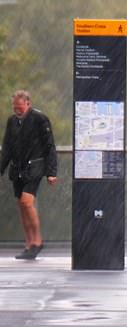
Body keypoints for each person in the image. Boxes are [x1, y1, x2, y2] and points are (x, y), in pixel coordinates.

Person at [0, 90, 57, 260]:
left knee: (27, 201)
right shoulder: (11, 121)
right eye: (14, 108)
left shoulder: (40, 119)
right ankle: (29, 244)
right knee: (22, 206)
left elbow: (50, 147)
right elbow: (7, 148)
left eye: (20, 108)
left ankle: (38, 241)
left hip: (35, 167)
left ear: (28, 104)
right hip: (17, 169)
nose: (17, 111)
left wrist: (51, 172)